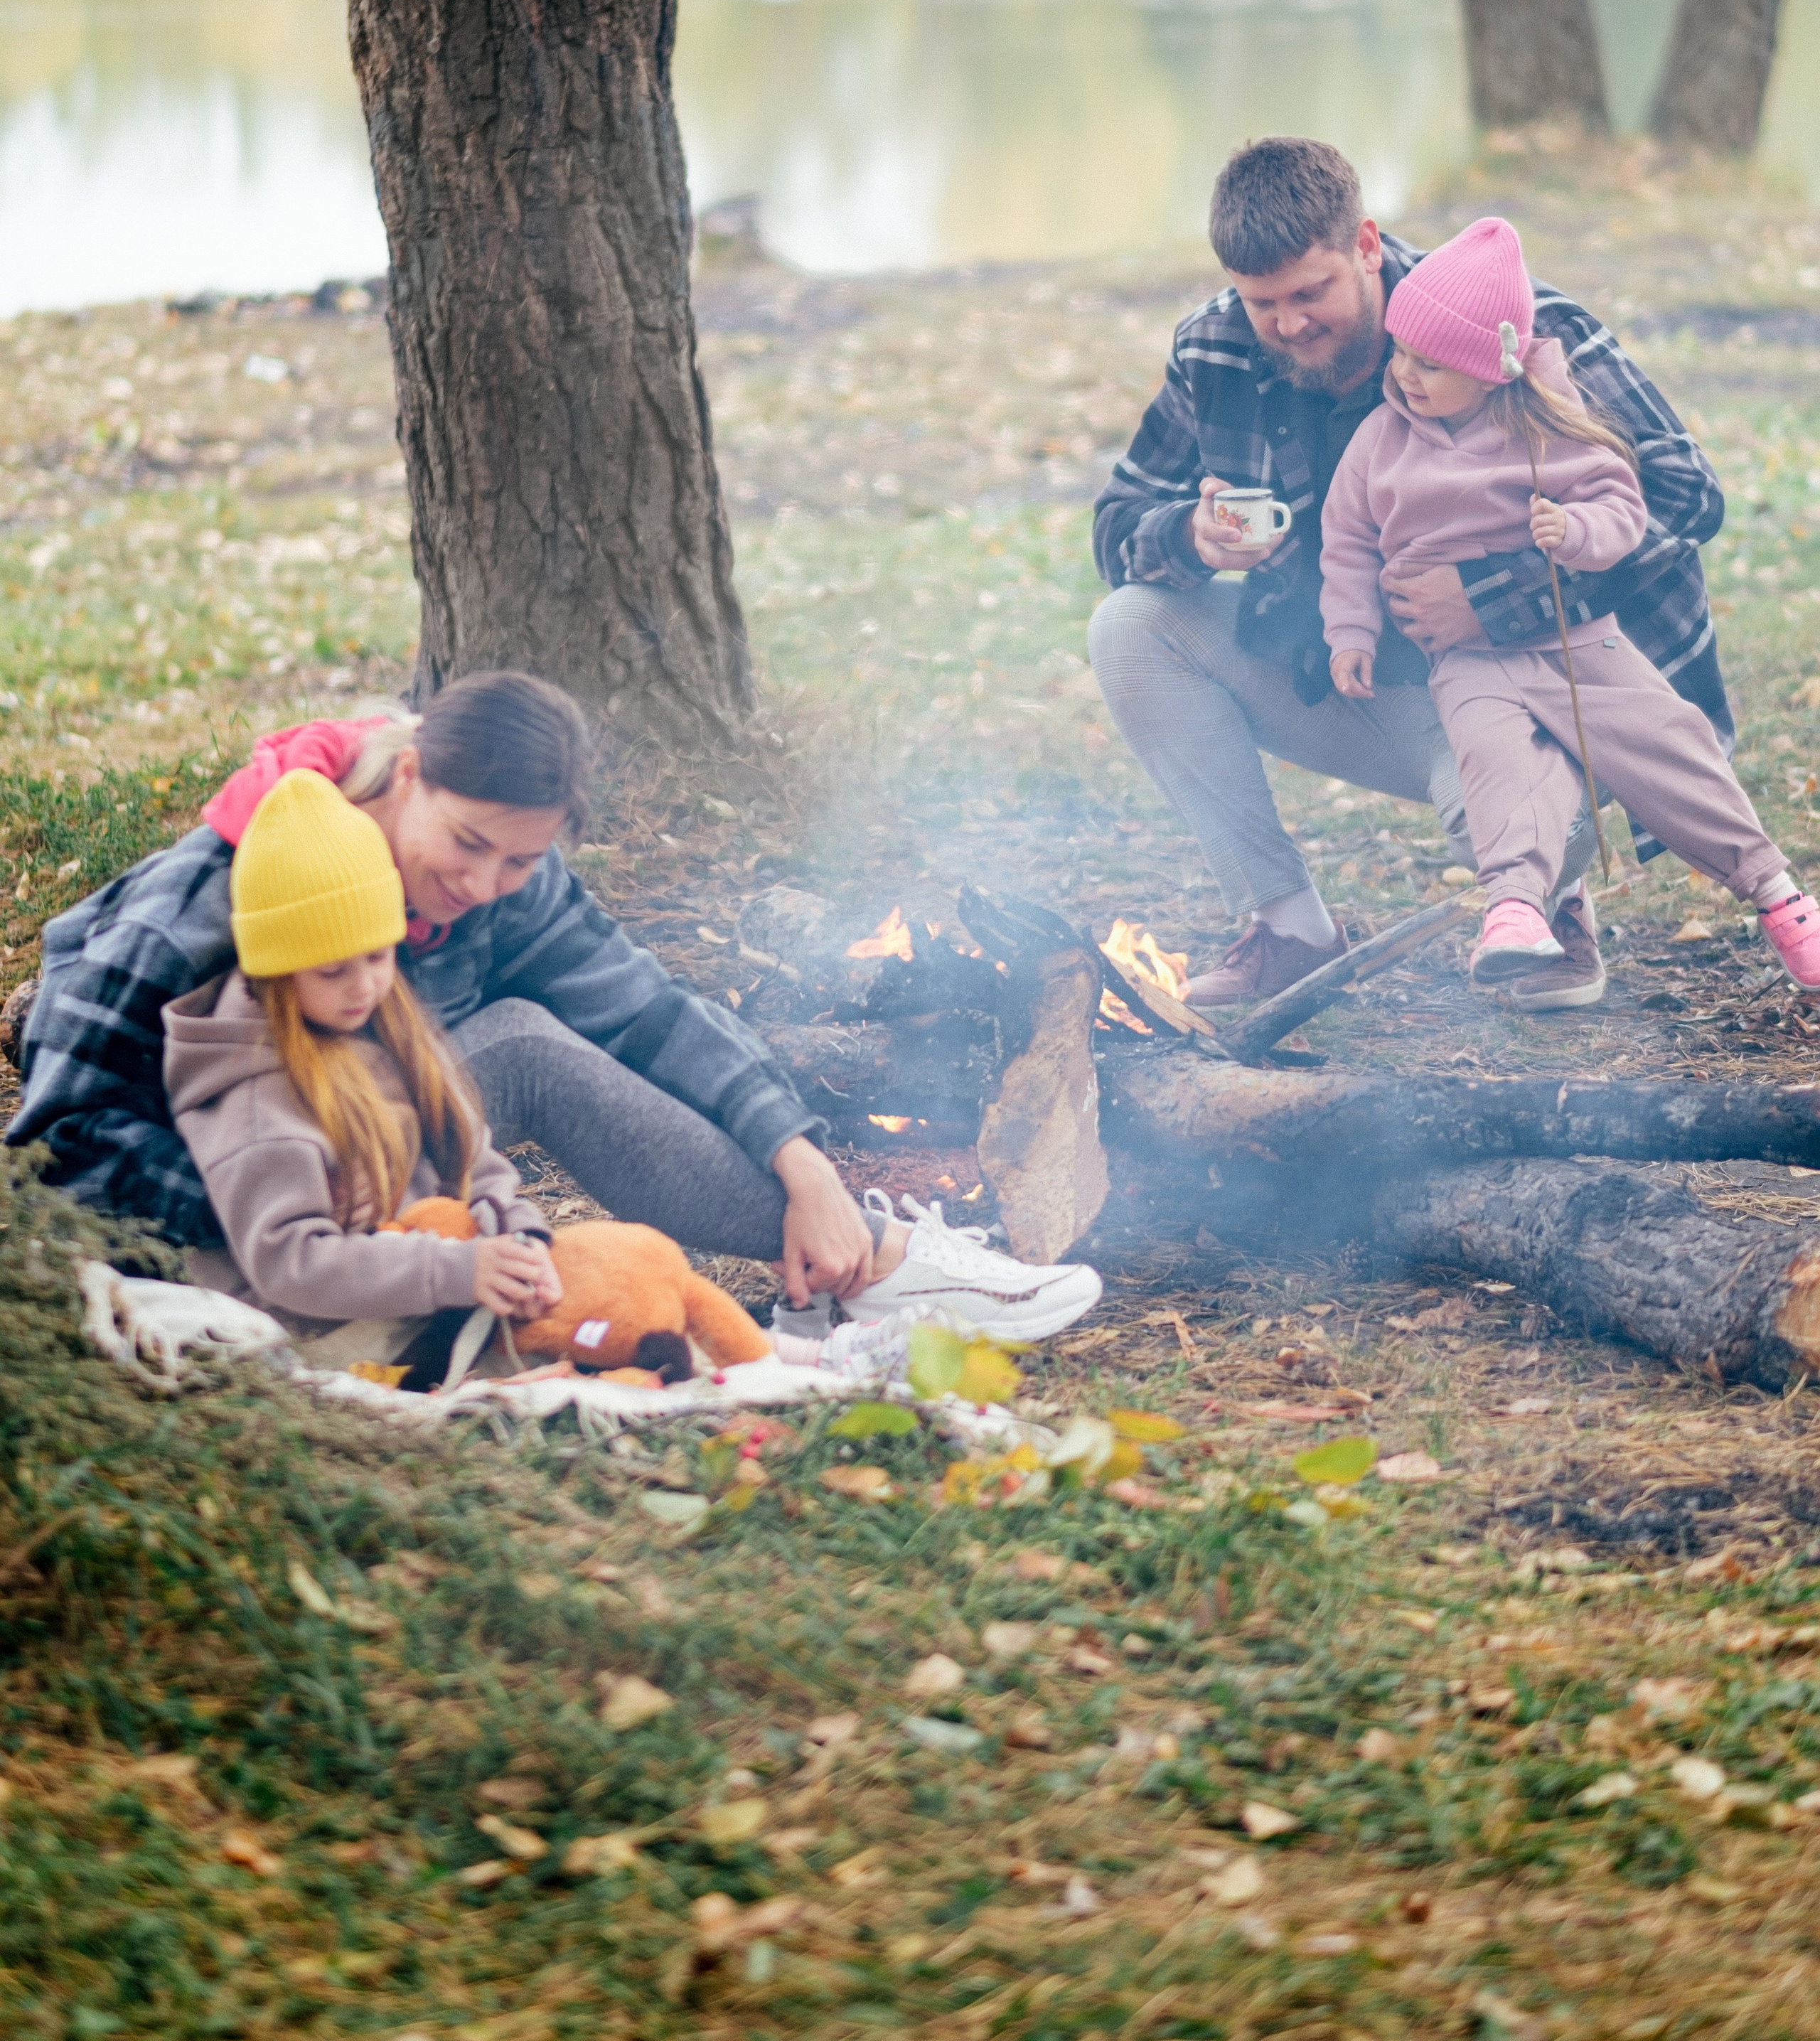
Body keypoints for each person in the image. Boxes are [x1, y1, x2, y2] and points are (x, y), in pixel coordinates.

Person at [10, 669, 1096, 1339]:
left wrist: (802, 1161)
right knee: (520, 1044)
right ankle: (878, 1264)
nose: (483, 885)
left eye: (520, 861)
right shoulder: (207, 899)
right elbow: (58, 1143)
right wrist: (277, 1215)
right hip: (236, 1211)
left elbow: (652, 1017)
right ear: (406, 779)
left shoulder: (505, 885)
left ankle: (855, 1258)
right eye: (468, 843)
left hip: (367, 1171)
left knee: (533, 1036)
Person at [1089, 136, 1731, 1014]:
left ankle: (1554, 906)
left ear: (1366, 246)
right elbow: (1116, 524)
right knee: (1130, 628)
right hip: (1354, 682)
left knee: (1509, 821)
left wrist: (1493, 595)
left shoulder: (1513, 329)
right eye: (1262, 302)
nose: (1287, 324)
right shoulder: (1216, 349)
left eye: (1310, 292)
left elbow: (1686, 495)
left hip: (1539, 691)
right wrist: (1189, 536)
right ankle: (1290, 933)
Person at [1320, 215, 1820, 991]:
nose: (1408, 376)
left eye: (1433, 364)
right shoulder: (1380, 441)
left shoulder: (1544, 424)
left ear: (1492, 370)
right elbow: (1347, 541)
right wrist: (1349, 629)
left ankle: (1778, 899)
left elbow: (1621, 506)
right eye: (1403, 353)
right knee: (1501, 769)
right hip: (1466, 660)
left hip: (1574, 637)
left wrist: (1575, 529)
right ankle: (1516, 910)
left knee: (1670, 744)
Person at [162, 767, 563, 1370]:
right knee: (519, 1360)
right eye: (331, 972)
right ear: (277, 974)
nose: (363, 987)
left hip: (424, 1276)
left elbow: (474, 1162)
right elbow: (292, 1264)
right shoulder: (252, 1094)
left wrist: (520, 1237)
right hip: (311, 1332)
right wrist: (456, 1271)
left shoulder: (390, 1024)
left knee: (579, 1306)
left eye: (377, 957)